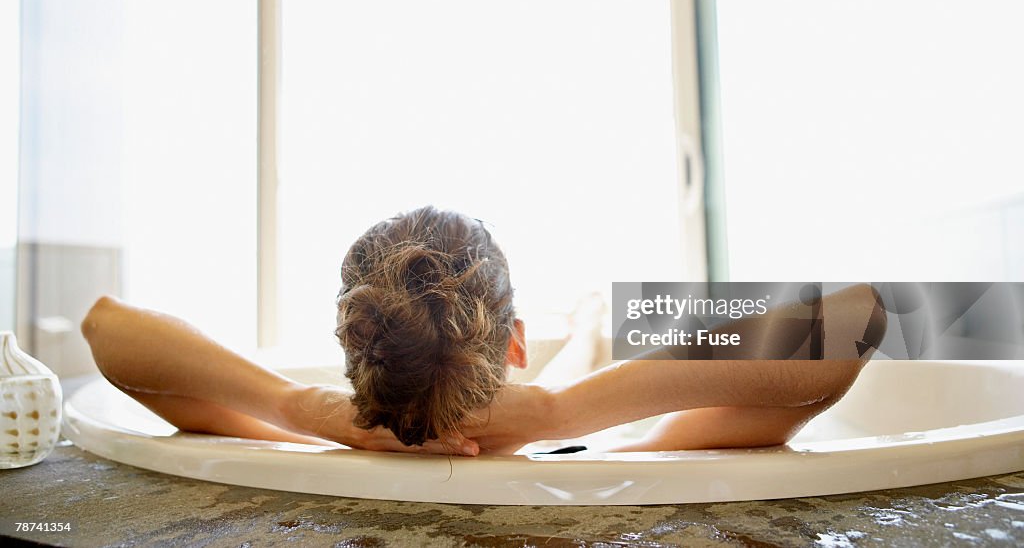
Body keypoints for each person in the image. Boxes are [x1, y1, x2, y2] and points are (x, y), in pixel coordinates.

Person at [81, 206, 885, 456]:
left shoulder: (307, 443)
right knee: (611, 336)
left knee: (605, 331)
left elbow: (105, 327)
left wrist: (305, 411)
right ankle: (594, 328)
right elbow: (860, 316)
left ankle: (595, 326)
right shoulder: (611, 457)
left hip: (357, 414)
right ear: (514, 344)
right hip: (566, 413)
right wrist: (560, 413)